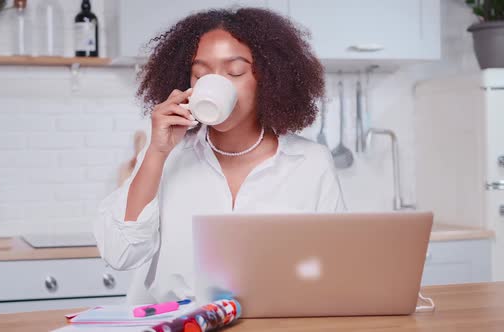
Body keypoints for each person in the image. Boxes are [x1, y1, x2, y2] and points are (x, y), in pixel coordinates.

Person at [94, 7, 345, 304]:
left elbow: (335, 269)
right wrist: (156, 153)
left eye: (235, 72)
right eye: (200, 74)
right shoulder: (168, 156)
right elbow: (119, 252)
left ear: (268, 79)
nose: (214, 85)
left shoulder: (311, 162)